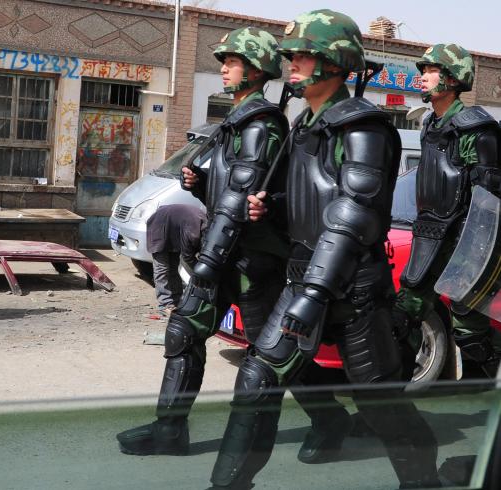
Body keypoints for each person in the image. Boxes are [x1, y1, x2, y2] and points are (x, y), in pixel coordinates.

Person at [208, 10, 441, 489]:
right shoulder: (304, 123)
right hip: (304, 279)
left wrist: (313, 294)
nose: (292, 62)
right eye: (291, 53)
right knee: (256, 381)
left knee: (381, 405)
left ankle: (423, 481)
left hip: (351, 294)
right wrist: (269, 206)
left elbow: (353, 215)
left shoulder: (362, 128)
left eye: (305, 54)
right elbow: (310, 199)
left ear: (335, 61)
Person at [116, 26, 290, 457]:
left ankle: (331, 419)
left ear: (256, 69)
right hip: (224, 250)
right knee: (184, 332)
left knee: (272, 355)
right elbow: (229, 191)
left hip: (249, 260)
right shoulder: (234, 122)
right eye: (225, 61)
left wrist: (207, 259)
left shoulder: (261, 123)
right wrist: (202, 183)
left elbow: (243, 198)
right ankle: (170, 431)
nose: (224, 68)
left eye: (233, 61)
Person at [393, 43, 501, 378]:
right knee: (403, 318)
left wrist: (475, 260)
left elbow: (490, 201)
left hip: (463, 245)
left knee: (469, 329)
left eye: (431, 70)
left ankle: (483, 402)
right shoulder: (428, 124)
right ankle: (389, 406)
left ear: (453, 78)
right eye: (422, 70)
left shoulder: (475, 129)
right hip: (427, 236)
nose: (423, 76)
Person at [145, 204, 206, 316]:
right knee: (162, 269)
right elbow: (188, 257)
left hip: (174, 229)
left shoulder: (206, 228)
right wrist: (201, 274)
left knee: (173, 268)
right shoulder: (193, 232)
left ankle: (177, 302)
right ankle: (165, 305)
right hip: (158, 225)